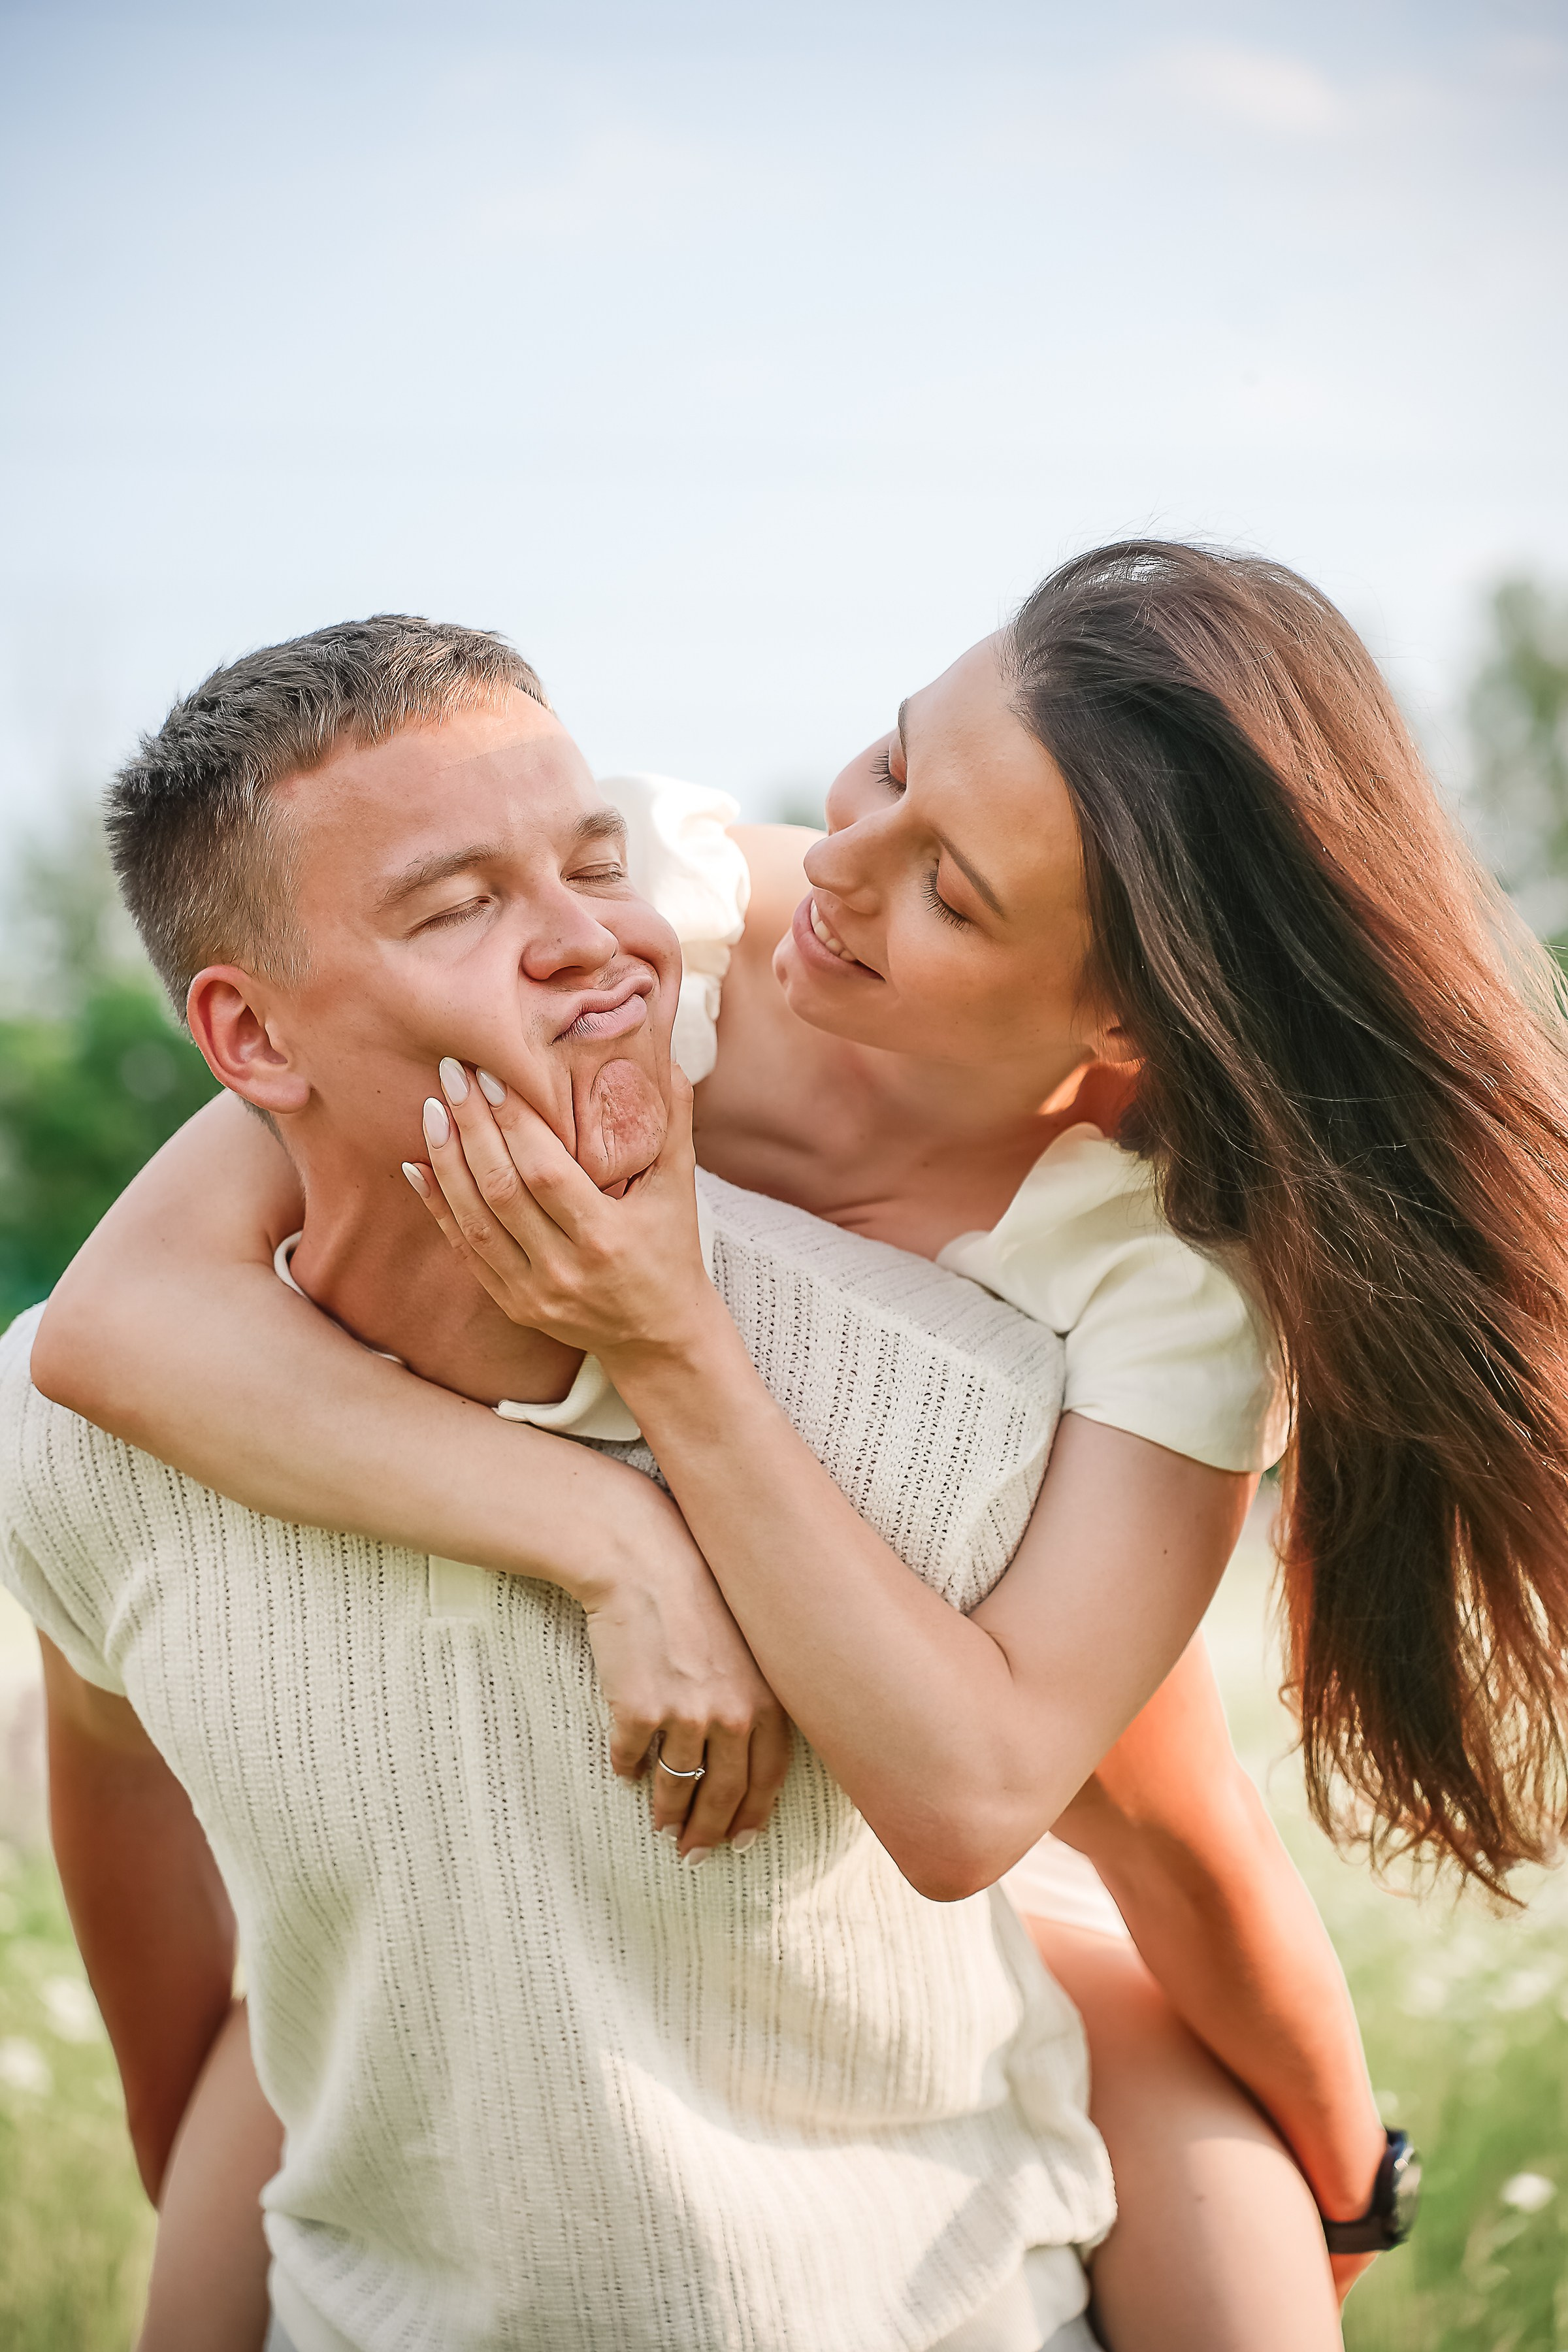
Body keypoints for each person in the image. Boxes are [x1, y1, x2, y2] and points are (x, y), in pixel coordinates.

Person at [36, 549, 1538, 2341]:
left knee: (1201, 2092)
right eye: (893, 765)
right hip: (514, 1860)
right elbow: (115, 1326)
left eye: (953, 897)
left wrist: (1341, 2155)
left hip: (947, 1832)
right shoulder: (645, 912)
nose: (835, 867)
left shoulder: (1151, 1285)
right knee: (297, 2094)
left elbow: (1087, 1811)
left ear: (1121, 1010)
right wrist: (615, 1544)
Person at [7, 629, 1138, 2352]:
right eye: (456, 906)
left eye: (597, 863)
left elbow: (1169, 1847)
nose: (597, 942)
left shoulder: (968, 1413)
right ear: (250, 1035)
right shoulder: (92, 1444)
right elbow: (114, 1766)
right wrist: (224, 2209)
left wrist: (1344, 2169)